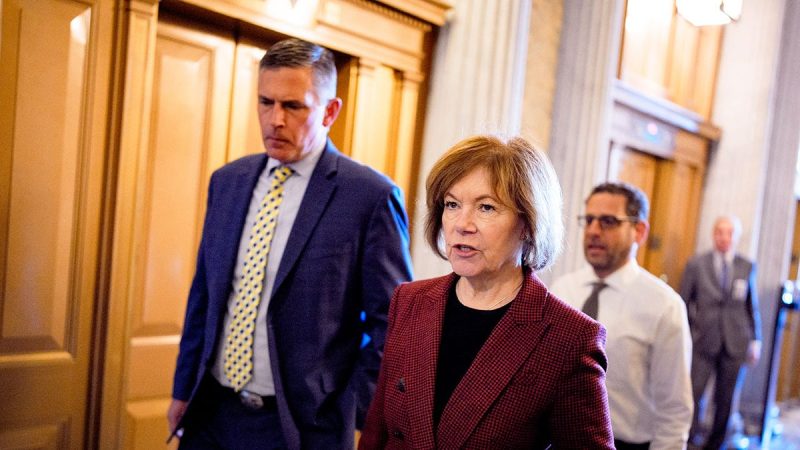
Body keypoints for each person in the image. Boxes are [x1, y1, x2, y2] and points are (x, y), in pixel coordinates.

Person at [167, 38, 414, 449]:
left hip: (300, 428)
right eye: (266, 102)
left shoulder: (369, 197)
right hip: (211, 414)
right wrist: (182, 388)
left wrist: (352, 412)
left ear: (330, 111)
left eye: (293, 106)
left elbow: (394, 325)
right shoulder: (227, 182)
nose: (274, 120)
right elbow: (205, 295)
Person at [359, 135, 614, 449]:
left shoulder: (570, 338)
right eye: (452, 204)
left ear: (529, 223)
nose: (462, 224)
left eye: (486, 207)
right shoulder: (409, 301)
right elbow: (377, 433)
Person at [550, 181, 693, 450]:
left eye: (608, 222)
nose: (593, 231)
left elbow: (674, 411)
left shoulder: (664, 305)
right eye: (589, 220)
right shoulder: (562, 290)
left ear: (639, 231)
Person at [680, 215, 762, 450]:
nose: (724, 237)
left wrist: (756, 340)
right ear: (713, 235)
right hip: (704, 340)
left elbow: (751, 306)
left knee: (725, 399)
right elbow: (683, 301)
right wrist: (689, 333)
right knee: (694, 393)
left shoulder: (746, 266)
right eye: (720, 232)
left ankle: (716, 443)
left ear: (736, 237)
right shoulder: (697, 264)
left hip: (735, 341)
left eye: (729, 233)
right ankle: (690, 439)